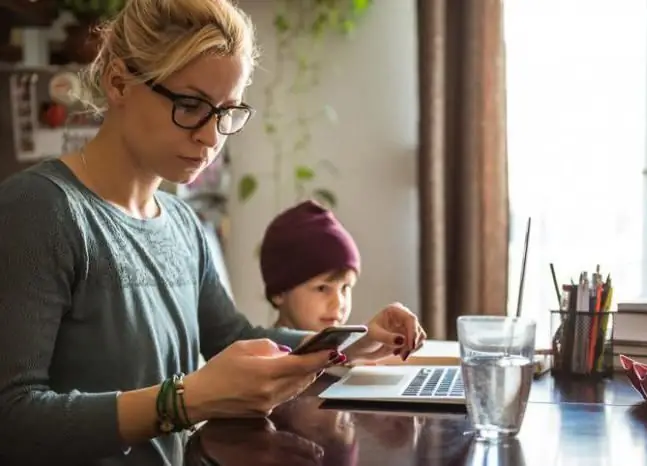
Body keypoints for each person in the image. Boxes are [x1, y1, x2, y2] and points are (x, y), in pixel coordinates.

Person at [0, 1, 427, 465]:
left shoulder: (184, 225)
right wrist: (185, 401)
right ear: (119, 82)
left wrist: (355, 340)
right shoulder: (40, 211)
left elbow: (234, 336)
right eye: (190, 106)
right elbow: (12, 419)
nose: (210, 137)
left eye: (226, 112)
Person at [260, 200, 360, 332]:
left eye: (345, 288)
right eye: (322, 288)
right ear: (279, 293)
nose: (338, 303)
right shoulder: (262, 351)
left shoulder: (344, 350)